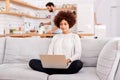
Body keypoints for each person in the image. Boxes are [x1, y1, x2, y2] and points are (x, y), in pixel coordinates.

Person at [29, 11, 83, 75]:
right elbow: (50, 51)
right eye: (61, 24)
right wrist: (49, 61)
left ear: (69, 24)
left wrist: (68, 60)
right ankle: (61, 72)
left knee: (78, 63)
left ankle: (52, 72)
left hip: (68, 64)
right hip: (54, 65)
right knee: (32, 62)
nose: (63, 26)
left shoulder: (75, 36)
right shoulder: (56, 37)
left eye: (65, 24)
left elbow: (78, 54)